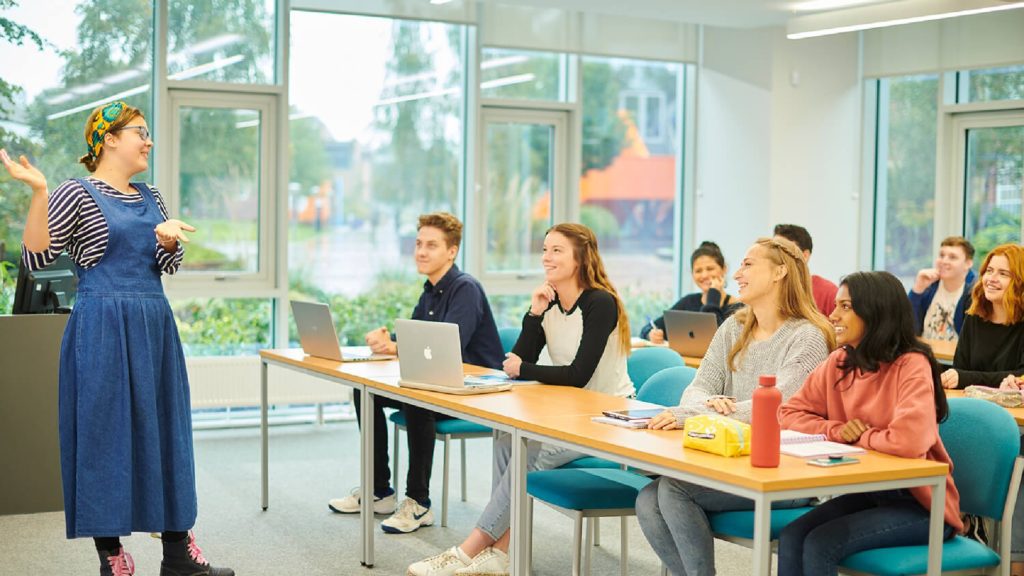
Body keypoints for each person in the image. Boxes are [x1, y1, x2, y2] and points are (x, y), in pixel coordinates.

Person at [2, 101, 231, 576]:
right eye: (139, 133)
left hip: (153, 326)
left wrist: (169, 243)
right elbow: (36, 263)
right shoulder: (75, 193)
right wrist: (40, 192)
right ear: (108, 139)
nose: (148, 141)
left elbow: (167, 266)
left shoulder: (153, 196)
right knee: (103, 436)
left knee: (167, 432)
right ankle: (113, 557)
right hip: (102, 327)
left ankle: (177, 555)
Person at [406, 223, 634, 576]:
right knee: (506, 435)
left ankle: (469, 549)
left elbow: (578, 374)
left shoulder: (600, 302)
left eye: (557, 250)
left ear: (580, 257)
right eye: (545, 249)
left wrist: (524, 367)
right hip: (567, 413)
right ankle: (502, 552)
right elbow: (514, 362)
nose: (546, 257)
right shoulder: (552, 302)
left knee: (526, 450)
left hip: (606, 419)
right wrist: (535, 313)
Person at [636, 237, 834, 576]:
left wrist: (698, 414)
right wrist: (709, 405)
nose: (737, 274)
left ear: (780, 272)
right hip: (733, 459)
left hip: (787, 472)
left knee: (673, 489)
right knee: (646, 499)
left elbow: (776, 409)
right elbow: (697, 389)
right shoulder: (735, 326)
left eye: (747, 264)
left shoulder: (809, 336)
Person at [329, 212, 505, 534]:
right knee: (365, 393)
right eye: (419, 244)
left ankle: (419, 503)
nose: (421, 252)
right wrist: (388, 343)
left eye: (432, 245)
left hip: (478, 389)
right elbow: (420, 342)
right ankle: (379, 490)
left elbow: (447, 346)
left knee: (416, 398)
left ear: (451, 252)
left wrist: (398, 347)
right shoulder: (430, 291)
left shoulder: (465, 288)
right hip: (441, 382)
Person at [777, 271, 962, 576]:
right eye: (836, 305)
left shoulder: (911, 364)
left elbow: (909, 442)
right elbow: (789, 414)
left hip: (921, 505)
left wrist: (857, 438)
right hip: (869, 494)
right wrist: (835, 431)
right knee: (792, 536)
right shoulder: (839, 361)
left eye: (846, 307)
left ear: (876, 312)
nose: (833, 315)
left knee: (821, 543)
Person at [940, 243, 1024, 390]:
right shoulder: (974, 317)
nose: (991, 278)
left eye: (1003, 273)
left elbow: (1021, 377)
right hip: (973, 403)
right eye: (989, 271)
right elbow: (960, 369)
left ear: (1020, 282)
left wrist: (966, 378)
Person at [641, 240, 743, 343]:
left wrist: (713, 296)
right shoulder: (688, 302)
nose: (704, 275)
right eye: (698, 271)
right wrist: (650, 334)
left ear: (724, 269)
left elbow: (719, 342)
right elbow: (648, 328)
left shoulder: (738, 308)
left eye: (710, 269)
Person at [909, 236, 976, 342]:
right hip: (925, 353)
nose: (944, 261)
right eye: (941, 255)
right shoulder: (929, 286)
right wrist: (917, 289)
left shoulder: (975, 294)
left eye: (952, 257)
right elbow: (908, 327)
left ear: (968, 263)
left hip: (953, 357)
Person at [774, 223, 838, 316]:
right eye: (773, 250)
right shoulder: (766, 290)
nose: (775, 256)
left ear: (804, 256)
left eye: (783, 250)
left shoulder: (828, 293)